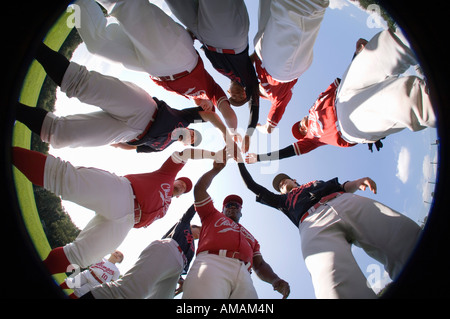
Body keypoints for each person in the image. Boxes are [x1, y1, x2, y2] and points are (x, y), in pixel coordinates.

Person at [12, 146, 219, 275]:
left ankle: (37, 272)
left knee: (83, 256)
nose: (183, 185)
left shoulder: (165, 209)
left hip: (126, 223)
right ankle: (10, 152)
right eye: (182, 182)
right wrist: (213, 155)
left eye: (186, 187)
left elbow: (143, 223)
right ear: (176, 179)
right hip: (124, 193)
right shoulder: (165, 174)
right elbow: (185, 153)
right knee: (62, 178)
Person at [245, 27, 435, 164]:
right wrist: (260, 158)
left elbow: (342, 83)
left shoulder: (314, 107)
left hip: (344, 91)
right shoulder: (312, 139)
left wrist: (356, 57)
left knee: (386, 47)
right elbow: (288, 152)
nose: (302, 125)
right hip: (345, 125)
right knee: (406, 100)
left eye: (299, 125)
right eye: (300, 130)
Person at [237, 159, 422, 298]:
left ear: (293, 179)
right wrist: (239, 161)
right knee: (333, 285)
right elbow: (252, 186)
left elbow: (341, 186)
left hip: (343, 200)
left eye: (283, 181)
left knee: (402, 237)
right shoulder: (282, 201)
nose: (281, 184)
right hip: (311, 223)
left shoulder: (316, 182)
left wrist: (357, 183)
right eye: (279, 186)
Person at [16, 42, 233, 153]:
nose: (191, 138)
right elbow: (209, 116)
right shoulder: (185, 119)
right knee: (82, 84)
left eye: (192, 142)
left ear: (186, 145)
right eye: (194, 136)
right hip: (145, 109)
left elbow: (133, 148)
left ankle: (14, 110)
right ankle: (35, 46)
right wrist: (226, 134)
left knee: (62, 136)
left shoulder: (162, 147)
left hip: (128, 134)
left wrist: (111, 143)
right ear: (192, 131)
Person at [73, 0, 238, 131]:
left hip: (152, 68)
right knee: (126, 6)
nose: (206, 109)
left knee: (98, 44)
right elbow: (229, 115)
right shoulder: (211, 89)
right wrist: (232, 133)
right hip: (178, 58)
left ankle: (79, 4)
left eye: (205, 112)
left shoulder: (188, 96)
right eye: (210, 108)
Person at [182, 153, 290, 299]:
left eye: (237, 205)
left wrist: (275, 280)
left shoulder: (252, 238)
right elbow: (199, 189)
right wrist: (215, 170)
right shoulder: (211, 215)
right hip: (212, 262)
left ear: (241, 211)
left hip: (245, 273)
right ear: (222, 209)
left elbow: (260, 265)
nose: (233, 207)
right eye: (229, 205)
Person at [164, 0, 260, 151]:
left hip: (204, 36)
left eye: (233, 98)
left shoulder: (219, 75)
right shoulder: (248, 78)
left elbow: (224, 113)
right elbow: (254, 107)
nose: (236, 95)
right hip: (228, 37)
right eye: (241, 97)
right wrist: (248, 133)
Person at [79, 205, 201, 299]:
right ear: (193, 226)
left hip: (176, 268)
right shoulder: (185, 225)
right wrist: (202, 200)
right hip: (168, 249)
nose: (200, 232)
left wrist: (180, 280)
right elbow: (190, 212)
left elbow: (181, 266)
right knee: (130, 291)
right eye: (199, 229)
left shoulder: (193, 248)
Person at [251, 0, 329, 133]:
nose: (239, 96)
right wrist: (257, 127)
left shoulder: (256, 76)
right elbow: (269, 129)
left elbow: (251, 59)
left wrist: (237, 78)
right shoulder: (277, 99)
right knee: (296, 10)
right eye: (240, 99)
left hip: (262, 47)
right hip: (282, 70)